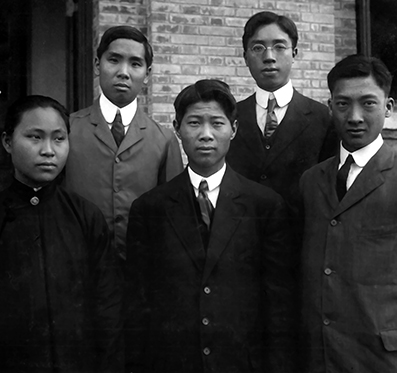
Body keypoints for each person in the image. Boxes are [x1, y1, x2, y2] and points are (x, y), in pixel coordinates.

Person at [124, 80, 296, 373]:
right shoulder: (149, 208)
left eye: (217, 123)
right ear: (177, 128)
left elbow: (278, 306)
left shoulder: (265, 206)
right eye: (194, 123)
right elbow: (139, 304)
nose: (205, 135)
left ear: (234, 129)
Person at [0, 96, 122, 372]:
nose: (48, 150)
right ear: (7, 141)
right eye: (35, 137)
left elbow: (108, 311)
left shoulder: (87, 218)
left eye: (59, 139)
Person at [299, 54, 397, 373]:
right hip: (321, 357)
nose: (355, 116)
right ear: (330, 106)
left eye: (368, 103)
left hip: (385, 359)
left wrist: (390, 322)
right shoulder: (310, 181)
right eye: (343, 104)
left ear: (388, 107)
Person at [65, 25, 183, 261]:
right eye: (114, 60)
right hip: (77, 266)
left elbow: (174, 216)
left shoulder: (164, 139)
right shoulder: (67, 130)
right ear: (98, 65)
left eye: (135, 64)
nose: (123, 72)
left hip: (140, 272)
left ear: (147, 74)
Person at [226, 11, 337, 215]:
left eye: (279, 47)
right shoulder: (230, 117)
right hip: (242, 239)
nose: (269, 57)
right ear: (245, 57)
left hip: (298, 240)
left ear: (294, 53)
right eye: (258, 48)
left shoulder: (323, 118)